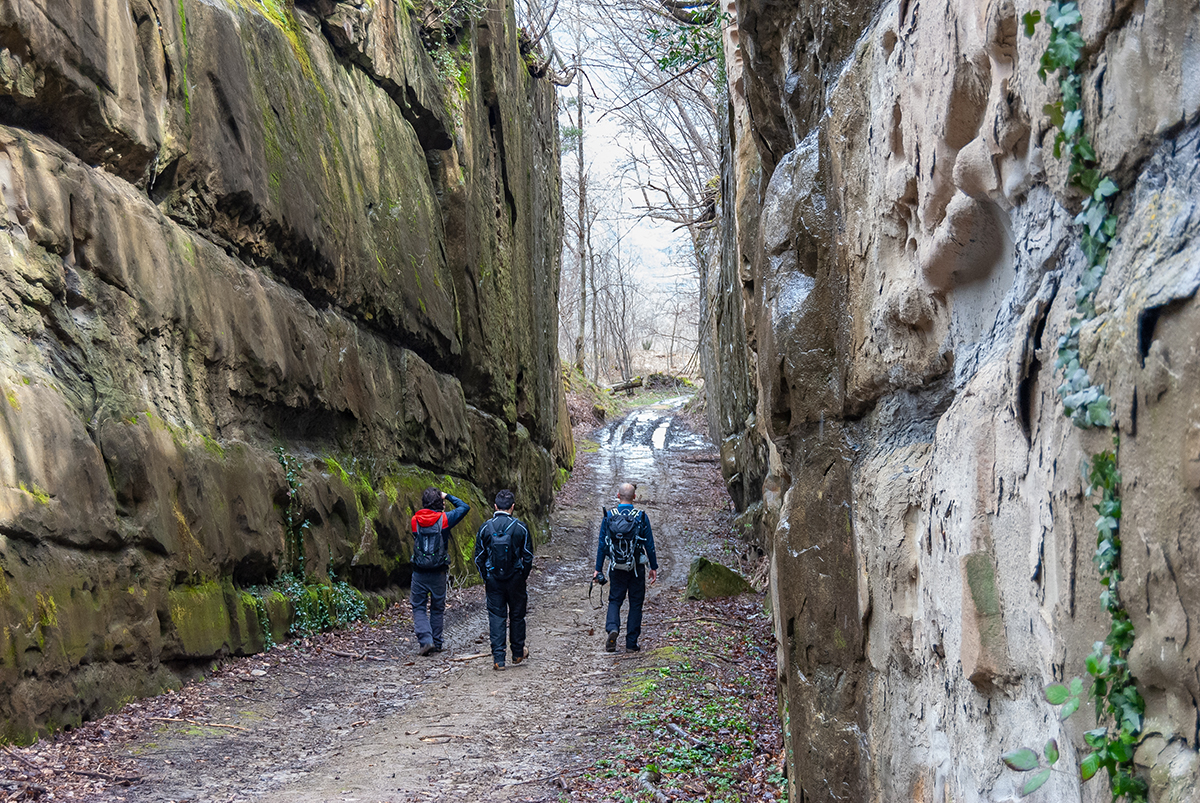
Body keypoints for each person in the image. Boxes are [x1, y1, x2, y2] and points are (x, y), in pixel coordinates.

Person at [593, 482, 658, 652]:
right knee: (635, 603)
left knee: (615, 599)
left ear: (618, 495)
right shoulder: (641, 516)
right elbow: (649, 545)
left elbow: (602, 544)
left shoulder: (609, 516)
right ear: (635, 497)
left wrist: (598, 569)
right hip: (636, 567)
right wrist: (653, 566)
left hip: (616, 566)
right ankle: (631, 643)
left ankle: (613, 628)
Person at [473, 489, 534, 671]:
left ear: (495, 506)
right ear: (513, 507)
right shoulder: (521, 527)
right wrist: (522, 576)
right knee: (517, 615)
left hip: (494, 581)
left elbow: (479, 558)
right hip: (515, 579)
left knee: (497, 617)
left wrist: (486, 576)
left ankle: (499, 659)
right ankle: (517, 653)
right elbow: (528, 557)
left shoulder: (485, 528)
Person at [409, 487, 470, 655]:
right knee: (437, 608)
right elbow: (464, 507)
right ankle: (436, 642)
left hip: (419, 571)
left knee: (419, 607)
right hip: (439, 571)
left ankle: (426, 640)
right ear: (441, 503)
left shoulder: (415, 520)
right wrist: (448, 496)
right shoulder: (444, 519)